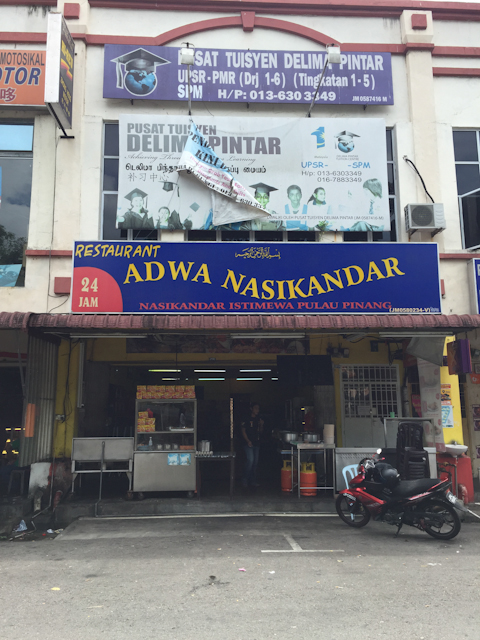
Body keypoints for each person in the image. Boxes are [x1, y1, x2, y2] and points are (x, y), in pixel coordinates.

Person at [240, 403, 264, 488]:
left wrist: (261, 424)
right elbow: (243, 431)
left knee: (255, 463)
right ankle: (244, 479)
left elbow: (260, 432)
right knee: (250, 460)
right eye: (256, 408)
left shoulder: (258, 419)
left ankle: (252, 480)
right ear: (251, 409)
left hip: (256, 443)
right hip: (248, 443)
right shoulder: (246, 418)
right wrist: (248, 440)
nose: (257, 410)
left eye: (258, 408)